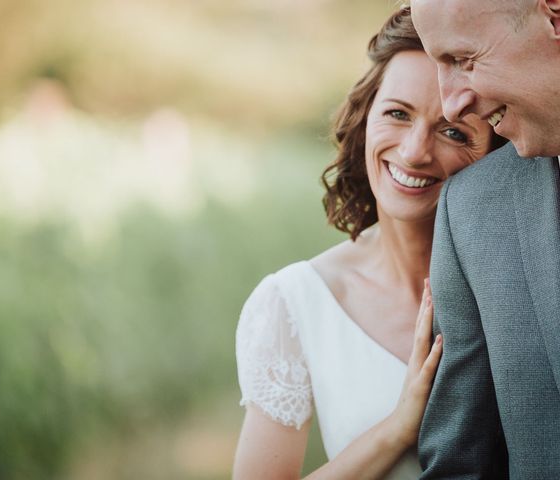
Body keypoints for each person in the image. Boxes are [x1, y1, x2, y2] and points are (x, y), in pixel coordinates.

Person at [233, 7, 499, 479]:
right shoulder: (295, 303)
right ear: (364, 119)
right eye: (397, 113)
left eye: (453, 131)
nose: (415, 151)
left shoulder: (521, 284)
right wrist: (396, 429)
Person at [410, 0, 560, 477]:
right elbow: (461, 464)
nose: (453, 103)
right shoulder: (471, 209)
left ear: (554, 17)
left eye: (463, 60)